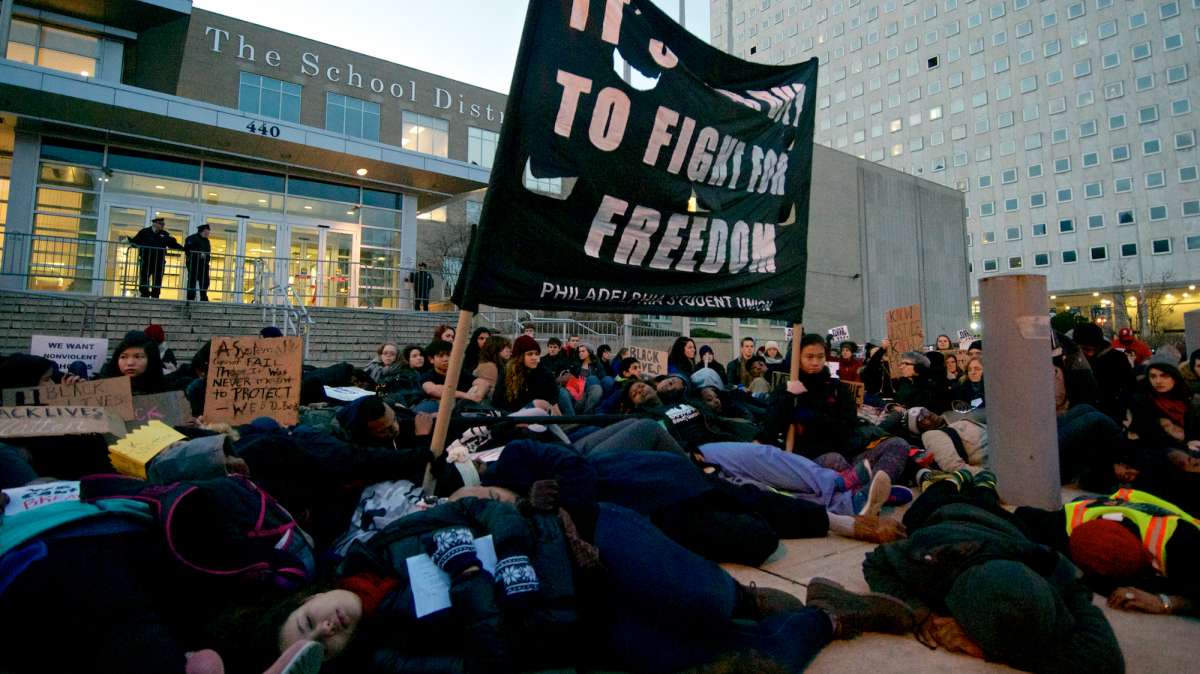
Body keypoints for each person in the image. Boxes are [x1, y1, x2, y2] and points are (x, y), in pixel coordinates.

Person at [864, 471, 1125, 673]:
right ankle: (951, 480)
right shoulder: (929, 560)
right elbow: (874, 564)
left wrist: (991, 650)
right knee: (928, 503)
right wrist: (923, 615)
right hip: (944, 517)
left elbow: (1106, 663)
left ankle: (984, 485)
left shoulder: (1049, 566)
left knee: (986, 498)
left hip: (1005, 527)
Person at [1012, 488, 1200, 617]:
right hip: (1094, 504)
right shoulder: (1062, 527)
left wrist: (1165, 602)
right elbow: (1020, 515)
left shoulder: (1184, 545)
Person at [1128, 363, 1199, 452]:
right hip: (1155, 451)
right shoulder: (1142, 400)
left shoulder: (1185, 399)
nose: (1158, 381)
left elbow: (1193, 427)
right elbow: (1149, 434)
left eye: (1164, 376)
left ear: (1175, 378)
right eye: (1153, 377)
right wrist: (1184, 446)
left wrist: (1193, 441)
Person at [1073, 322, 1135, 423]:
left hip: (1113, 414)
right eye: (1083, 349)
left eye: (1090, 349)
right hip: (1083, 414)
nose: (1088, 353)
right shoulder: (1074, 361)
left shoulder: (1117, 359)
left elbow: (1130, 387)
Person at [414, 340, 487, 413]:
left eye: (449, 355)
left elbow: (483, 383)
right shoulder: (427, 375)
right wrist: (465, 395)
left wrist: (477, 396)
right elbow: (432, 390)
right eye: (440, 356)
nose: (445, 359)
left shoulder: (460, 373)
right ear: (431, 359)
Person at [495, 334, 560, 413]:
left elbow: (553, 404)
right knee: (538, 403)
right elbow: (498, 403)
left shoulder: (545, 374)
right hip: (513, 418)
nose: (534, 357)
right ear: (520, 356)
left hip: (541, 419)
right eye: (530, 354)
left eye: (536, 354)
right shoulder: (507, 373)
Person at [130, 216, 184, 298]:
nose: (162, 225)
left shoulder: (165, 234)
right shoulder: (144, 232)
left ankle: (155, 294)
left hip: (159, 260)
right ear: (154, 224)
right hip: (146, 259)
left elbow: (172, 244)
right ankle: (145, 293)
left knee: (157, 278)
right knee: (144, 277)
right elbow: (135, 241)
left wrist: (183, 248)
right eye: (160, 224)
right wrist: (131, 242)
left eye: (163, 224)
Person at [101, 330, 166, 394]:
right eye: (123, 357)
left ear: (151, 360)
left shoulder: (166, 390)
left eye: (137, 357)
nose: (130, 363)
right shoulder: (101, 388)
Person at [184, 224, 212, 301]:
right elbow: (187, 250)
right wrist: (199, 254)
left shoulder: (207, 241)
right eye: (207, 232)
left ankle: (203, 297)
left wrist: (207, 258)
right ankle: (190, 297)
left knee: (205, 281)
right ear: (202, 231)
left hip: (204, 264)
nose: (208, 233)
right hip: (193, 263)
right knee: (192, 280)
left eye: (208, 232)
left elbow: (208, 252)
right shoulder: (192, 238)